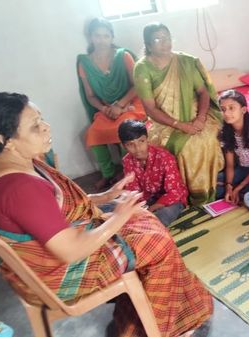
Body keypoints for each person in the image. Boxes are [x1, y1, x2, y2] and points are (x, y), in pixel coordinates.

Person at [0, 92, 212, 337]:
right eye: (35, 126)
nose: (46, 127)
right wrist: (118, 217)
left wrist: (104, 197)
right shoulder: (19, 189)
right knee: (158, 241)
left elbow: (52, 210)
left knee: (145, 221)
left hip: (44, 261)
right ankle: (164, 326)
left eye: (41, 119)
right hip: (63, 274)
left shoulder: (9, 166)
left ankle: (140, 316)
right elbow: (71, 250)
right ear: (5, 140)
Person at [133, 22, 224, 206]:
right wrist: (180, 125)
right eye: (158, 39)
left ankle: (213, 187)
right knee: (184, 147)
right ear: (148, 45)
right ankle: (186, 194)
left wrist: (200, 118)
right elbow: (150, 109)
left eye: (167, 37)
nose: (164, 42)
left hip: (197, 113)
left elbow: (203, 92)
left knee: (208, 139)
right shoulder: (142, 68)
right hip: (164, 121)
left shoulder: (186, 61)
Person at [77, 18, 147, 191]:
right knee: (93, 133)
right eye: (97, 36)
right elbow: (90, 96)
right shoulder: (84, 63)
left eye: (106, 36)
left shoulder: (123, 56)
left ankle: (127, 172)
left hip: (131, 103)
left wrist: (120, 104)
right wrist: (105, 109)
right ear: (90, 37)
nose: (102, 40)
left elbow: (137, 85)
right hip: (107, 108)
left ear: (112, 37)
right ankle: (108, 174)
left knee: (125, 130)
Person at [118, 119, 187, 226]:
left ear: (147, 140)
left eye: (141, 141)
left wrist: (151, 209)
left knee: (162, 217)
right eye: (130, 145)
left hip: (170, 200)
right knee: (120, 214)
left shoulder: (164, 157)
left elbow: (174, 192)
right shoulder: (127, 161)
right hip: (147, 200)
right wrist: (139, 209)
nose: (137, 148)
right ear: (124, 146)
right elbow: (133, 191)